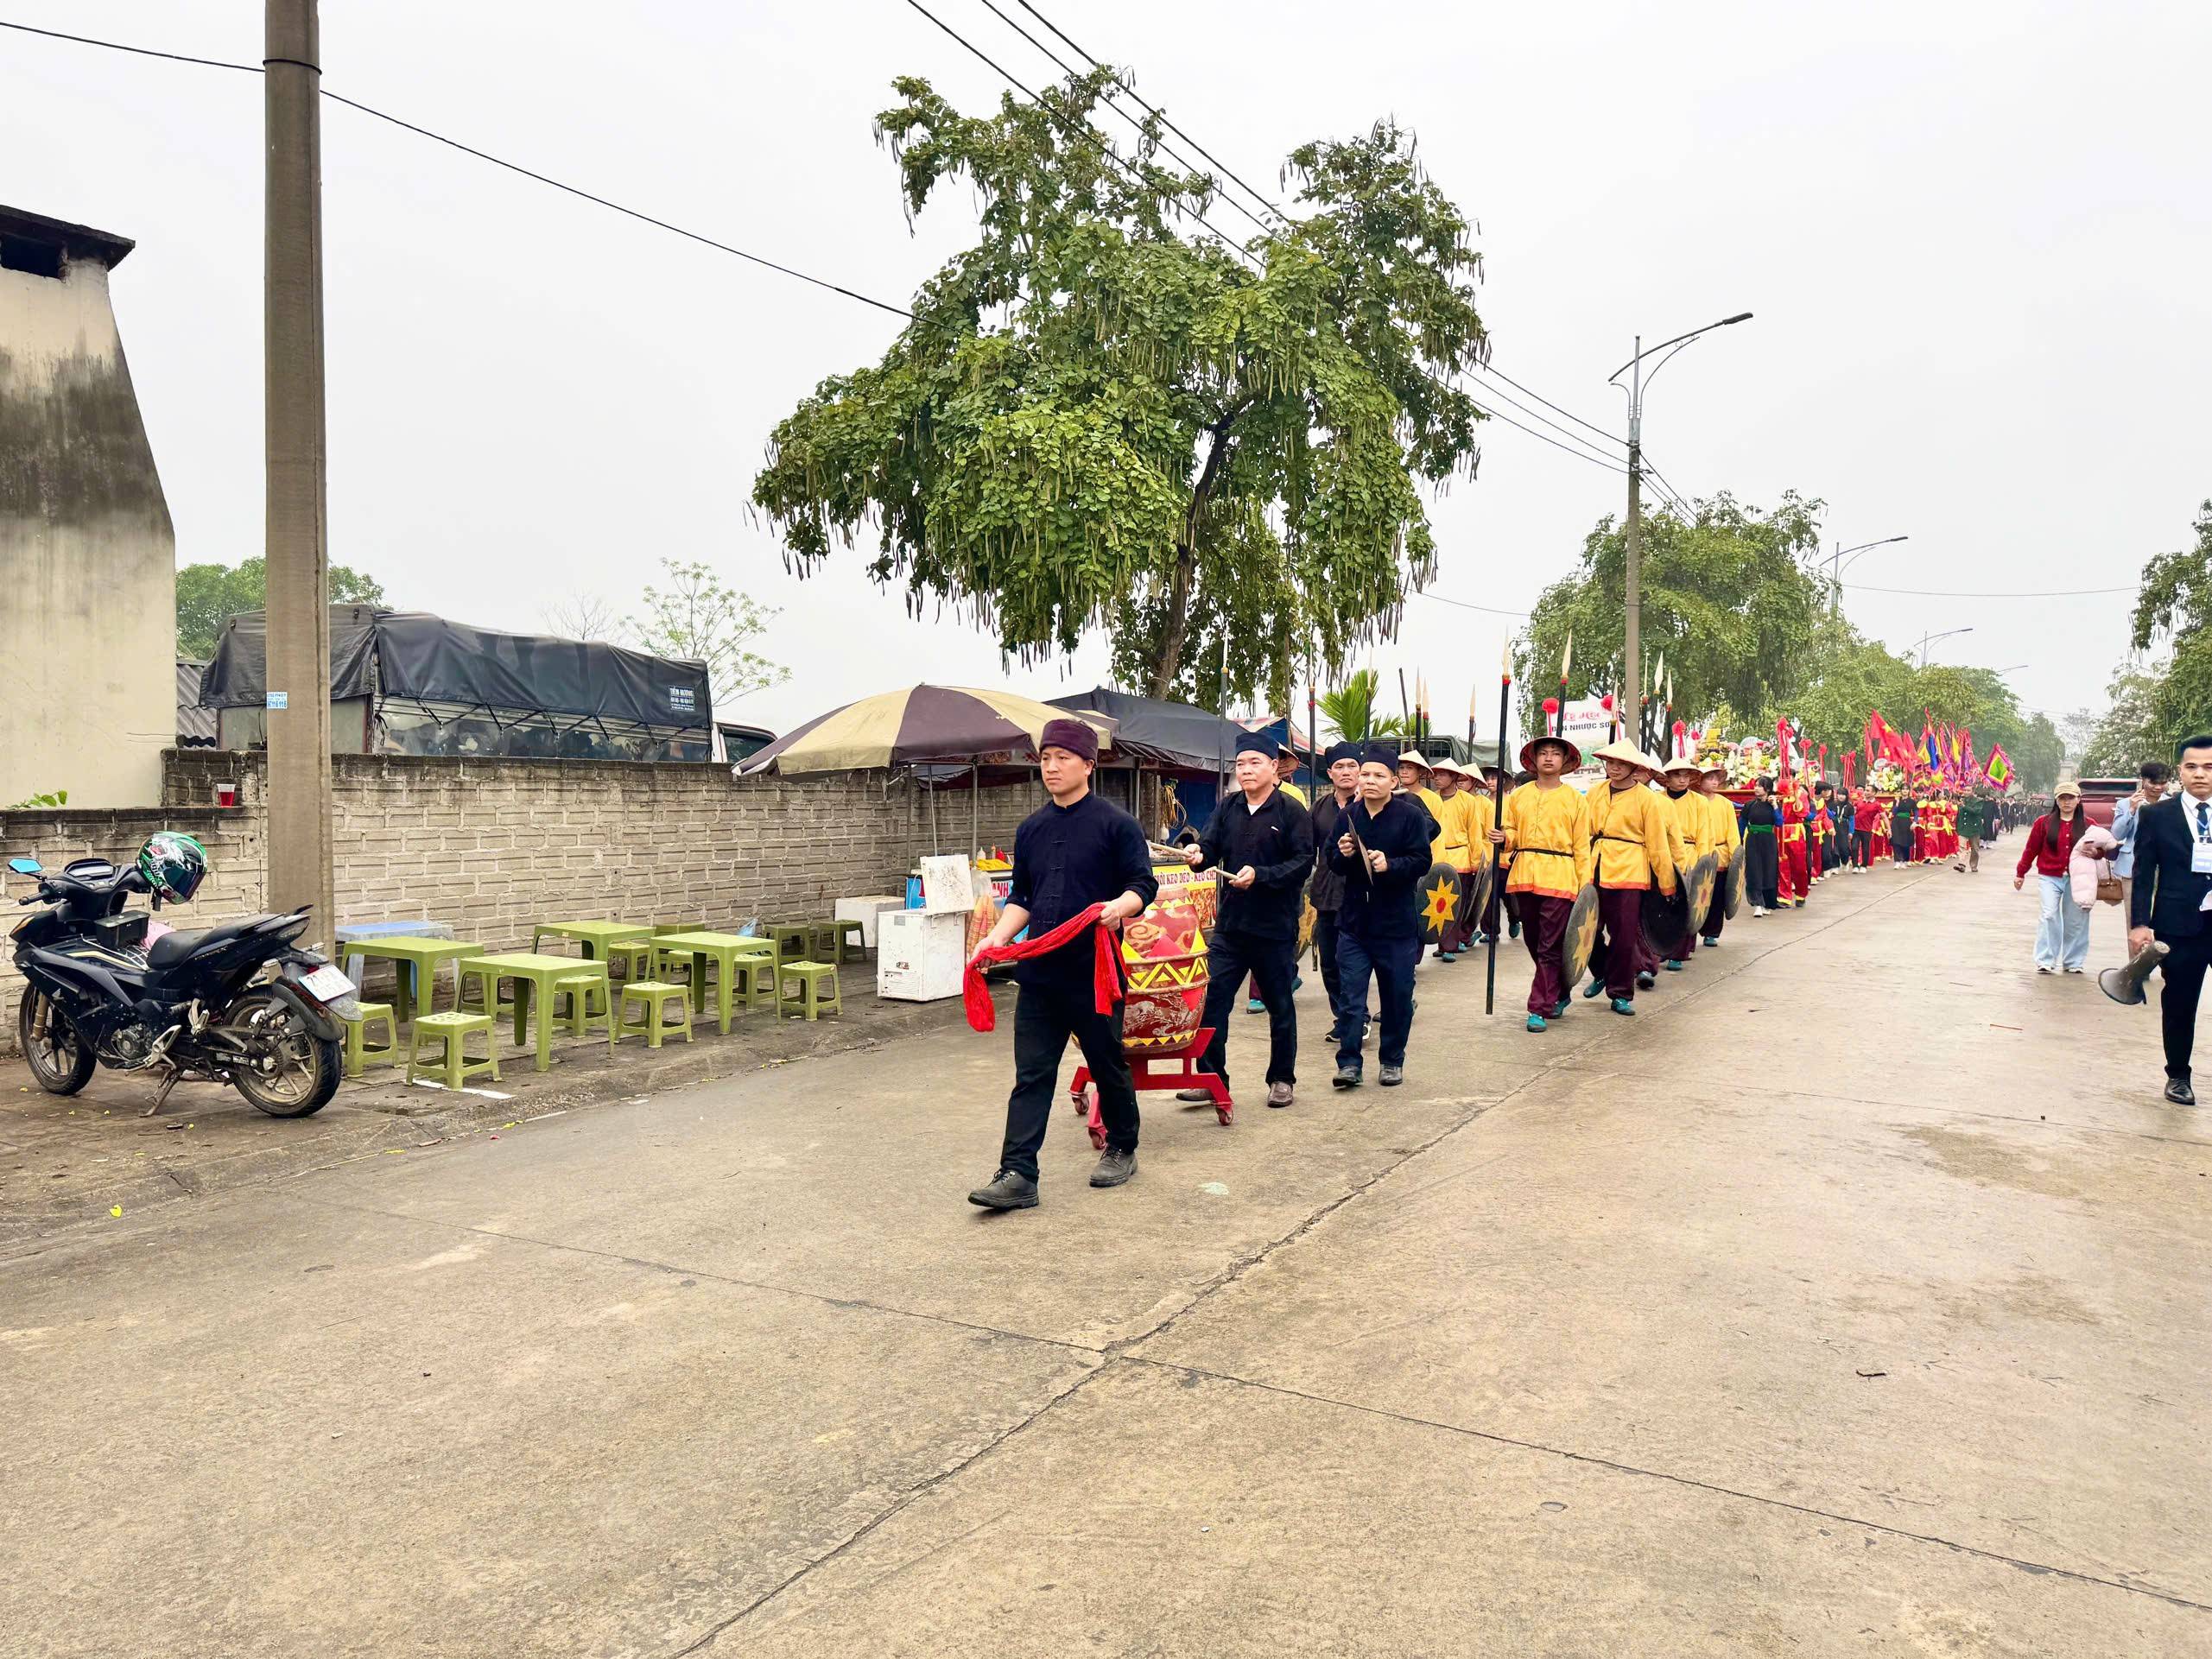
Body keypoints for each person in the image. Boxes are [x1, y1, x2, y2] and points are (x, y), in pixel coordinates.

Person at [968, 719, 1158, 1211]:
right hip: (1039, 974)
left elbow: (1144, 885)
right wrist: (995, 938)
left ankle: (1122, 1145)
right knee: (1031, 1073)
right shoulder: (1032, 828)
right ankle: (1018, 1173)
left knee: (1106, 1062)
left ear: (1089, 766)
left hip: (1094, 973)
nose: (1051, 767)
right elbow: (1024, 898)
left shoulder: (1118, 824)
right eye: (1045, 758)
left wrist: (1120, 907)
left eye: (1063, 758)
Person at [1181, 733, 1315, 1109]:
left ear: (1274, 768)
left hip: (1274, 927)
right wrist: (1198, 854)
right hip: (1231, 928)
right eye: (1241, 764)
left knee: (1279, 1005)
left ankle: (1282, 1079)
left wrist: (1262, 875)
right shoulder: (1228, 808)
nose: (1246, 770)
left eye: (1255, 762)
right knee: (1213, 1004)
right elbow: (1210, 848)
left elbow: (1303, 862)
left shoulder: (1291, 812)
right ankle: (1212, 1078)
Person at [1328, 743, 1434, 1088]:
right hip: (1355, 923)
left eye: (1379, 775)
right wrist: (1343, 853)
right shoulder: (1348, 816)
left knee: (1397, 996)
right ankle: (1348, 1063)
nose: (1370, 781)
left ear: (1393, 781)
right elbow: (1332, 861)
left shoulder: (1410, 817)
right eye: (1366, 774)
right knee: (1351, 998)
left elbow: (1422, 861)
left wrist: (1391, 864)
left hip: (1396, 925)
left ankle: (1391, 1060)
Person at [2126, 736, 2212, 1105]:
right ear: (2181, 771)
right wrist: (2140, 923)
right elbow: (2144, 872)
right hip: (2181, 925)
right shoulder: (2157, 815)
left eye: (2209, 767)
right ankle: (2178, 1076)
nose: (2200, 775)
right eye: (2192, 767)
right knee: (2179, 1003)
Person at [1497, 734, 1594, 1032]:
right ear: (1535, 759)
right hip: (1525, 873)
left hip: (1561, 875)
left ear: (1564, 761)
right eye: (1544, 753)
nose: (1549, 758)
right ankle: (1559, 990)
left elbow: (1582, 847)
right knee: (1534, 942)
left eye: (1555, 754)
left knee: (1551, 944)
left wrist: (1585, 888)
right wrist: (1505, 839)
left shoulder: (1576, 800)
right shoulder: (1518, 796)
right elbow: (1511, 833)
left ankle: (1538, 1006)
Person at [1579, 739, 1676, 1015]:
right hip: (1595, 865)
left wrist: (1667, 883)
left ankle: (1620, 992)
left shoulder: (1647, 799)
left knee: (1623, 937)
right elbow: (1581, 832)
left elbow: (1657, 843)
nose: (1615, 768)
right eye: (1611, 762)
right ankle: (1601, 971)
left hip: (1631, 869)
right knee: (1587, 928)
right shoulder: (1594, 793)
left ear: (1634, 767)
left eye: (1621, 764)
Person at [1306, 742, 1363, 1049]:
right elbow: (1305, 849)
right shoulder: (1318, 808)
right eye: (1339, 767)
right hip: (1327, 893)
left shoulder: (1373, 803)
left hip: (1362, 895)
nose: (1345, 772)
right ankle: (1343, 1017)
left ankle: (1358, 1017)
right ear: (1330, 773)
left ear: (1360, 770)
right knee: (1329, 961)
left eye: (1351, 766)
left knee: (1352, 962)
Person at [2014, 782, 2091, 975]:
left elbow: (2103, 849)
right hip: (2050, 876)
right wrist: (2020, 872)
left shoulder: (2088, 824)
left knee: (2076, 919)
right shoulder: (2043, 823)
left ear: (2078, 800)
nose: (2067, 802)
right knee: (2049, 915)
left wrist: (2096, 852)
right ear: (2056, 801)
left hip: (2077, 879)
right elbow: (2031, 849)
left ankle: (2073, 961)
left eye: (2071, 797)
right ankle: (2046, 959)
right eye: (2062, 798)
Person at [1429, 757, 1489, 961]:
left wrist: (1475, 862)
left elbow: (1474, 833)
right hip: (1437, 857)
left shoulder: (1468, 801)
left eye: (1443, 774)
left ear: (1454, 777)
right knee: (1436, 905)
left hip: (1460, 857)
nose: (1437, 778)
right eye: (1435, 774)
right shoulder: (1432, 798)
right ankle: (1442, 942)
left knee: (1456, 905)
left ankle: (1449, 946)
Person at [1656, 756, 1708, 969]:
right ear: (1666, 779)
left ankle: (1679, 952)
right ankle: (1661, 947)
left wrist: (1702, 865)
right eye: (1677, 775)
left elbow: (1705, 834)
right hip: (1662, 852)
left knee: (1686, 903)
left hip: (1690, 852)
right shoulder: (1656, 800)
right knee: (1661, 904)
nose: (1682, 780)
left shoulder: (1700, 802)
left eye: (1686, 775)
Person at [2111, 761, 2171, 929]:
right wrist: (2131, 810)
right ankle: (2136, 957)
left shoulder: (2174, 804)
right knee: (2135, 923)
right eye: (2153, 783)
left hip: (2167, 869)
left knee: (2166, 921)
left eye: (2162, 783)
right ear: (2143, 780)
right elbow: (2117, 834)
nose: (2158, 787)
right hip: (2132, 868)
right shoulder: (2125, 803)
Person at [1700, 761, 1740, 947]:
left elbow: (1732, 831)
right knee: (1696, 894)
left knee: (1717, 896)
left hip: (1720, 853)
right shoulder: (1693, 800)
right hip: (1698, 853)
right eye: (1709, 778)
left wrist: (1736, 856)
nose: (1714, 782)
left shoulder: (1725, 804)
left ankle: (1712, 932)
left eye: (1716, 779)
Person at [1741, 776, 1781, 915]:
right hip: (1753, 840)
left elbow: (1779, 823)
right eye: (1756, 785)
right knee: (1754, 870)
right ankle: (1757, 903)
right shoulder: (1749, 805)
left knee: (1769, 870)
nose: (1756, 788)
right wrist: (1738, 841)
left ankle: (1767, 903)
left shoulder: (1773, 805)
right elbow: (1742, 824)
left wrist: (1775, 806)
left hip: (1769, 841)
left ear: (1768, 789)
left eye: (1760, 786)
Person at [1955, 791, 1987, 872]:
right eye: (1965, 790)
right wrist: (1958, 827)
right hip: (1963, 828)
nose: (1966, 792)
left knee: (1975, 849)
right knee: (1962, 847)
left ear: (1972, 791)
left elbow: (1976, 811)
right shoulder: (1962, 800)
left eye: (1968, 790)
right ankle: (1962, 865)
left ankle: (1973, 865)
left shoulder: (1978, 801)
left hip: (1974, 828)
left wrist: (1964, 806)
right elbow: (1959, 815)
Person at [1891, 788, 1917, 867]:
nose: (1904, 790)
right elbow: (1894, 813)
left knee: (1906, 841)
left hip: (1907, 822)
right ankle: (1897, 861)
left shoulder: (1912, 801)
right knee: (1896, 841)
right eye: (1903, 789)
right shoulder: (1896, 800)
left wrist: (1915, 822)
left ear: (1909, 791)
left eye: (1906, 789)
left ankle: (1905, 860)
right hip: (1896, 822)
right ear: (1901, 791)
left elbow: (1916, 813)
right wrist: (1897, 803)